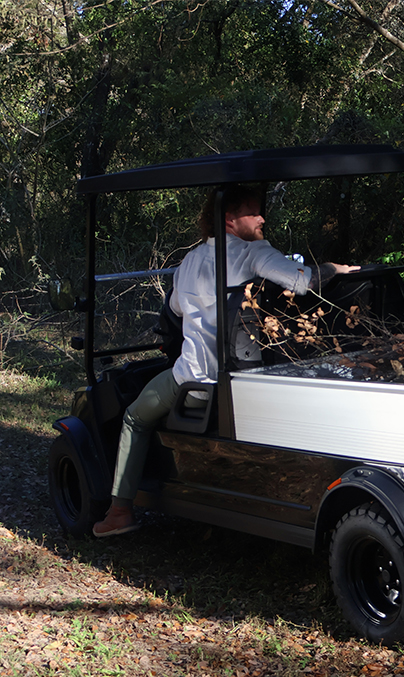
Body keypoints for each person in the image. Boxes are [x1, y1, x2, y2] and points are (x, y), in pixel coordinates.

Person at [93, 184, 358, 537]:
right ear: (229, 219)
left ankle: (120, 510)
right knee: (135, 417)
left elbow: (173, 311)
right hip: (239, 379)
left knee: (134, 417)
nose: (262, 217)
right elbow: (302, 282)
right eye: (253, 211)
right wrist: (335, 268)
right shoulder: (254, 253)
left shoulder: (189, 262)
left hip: (190, 380)